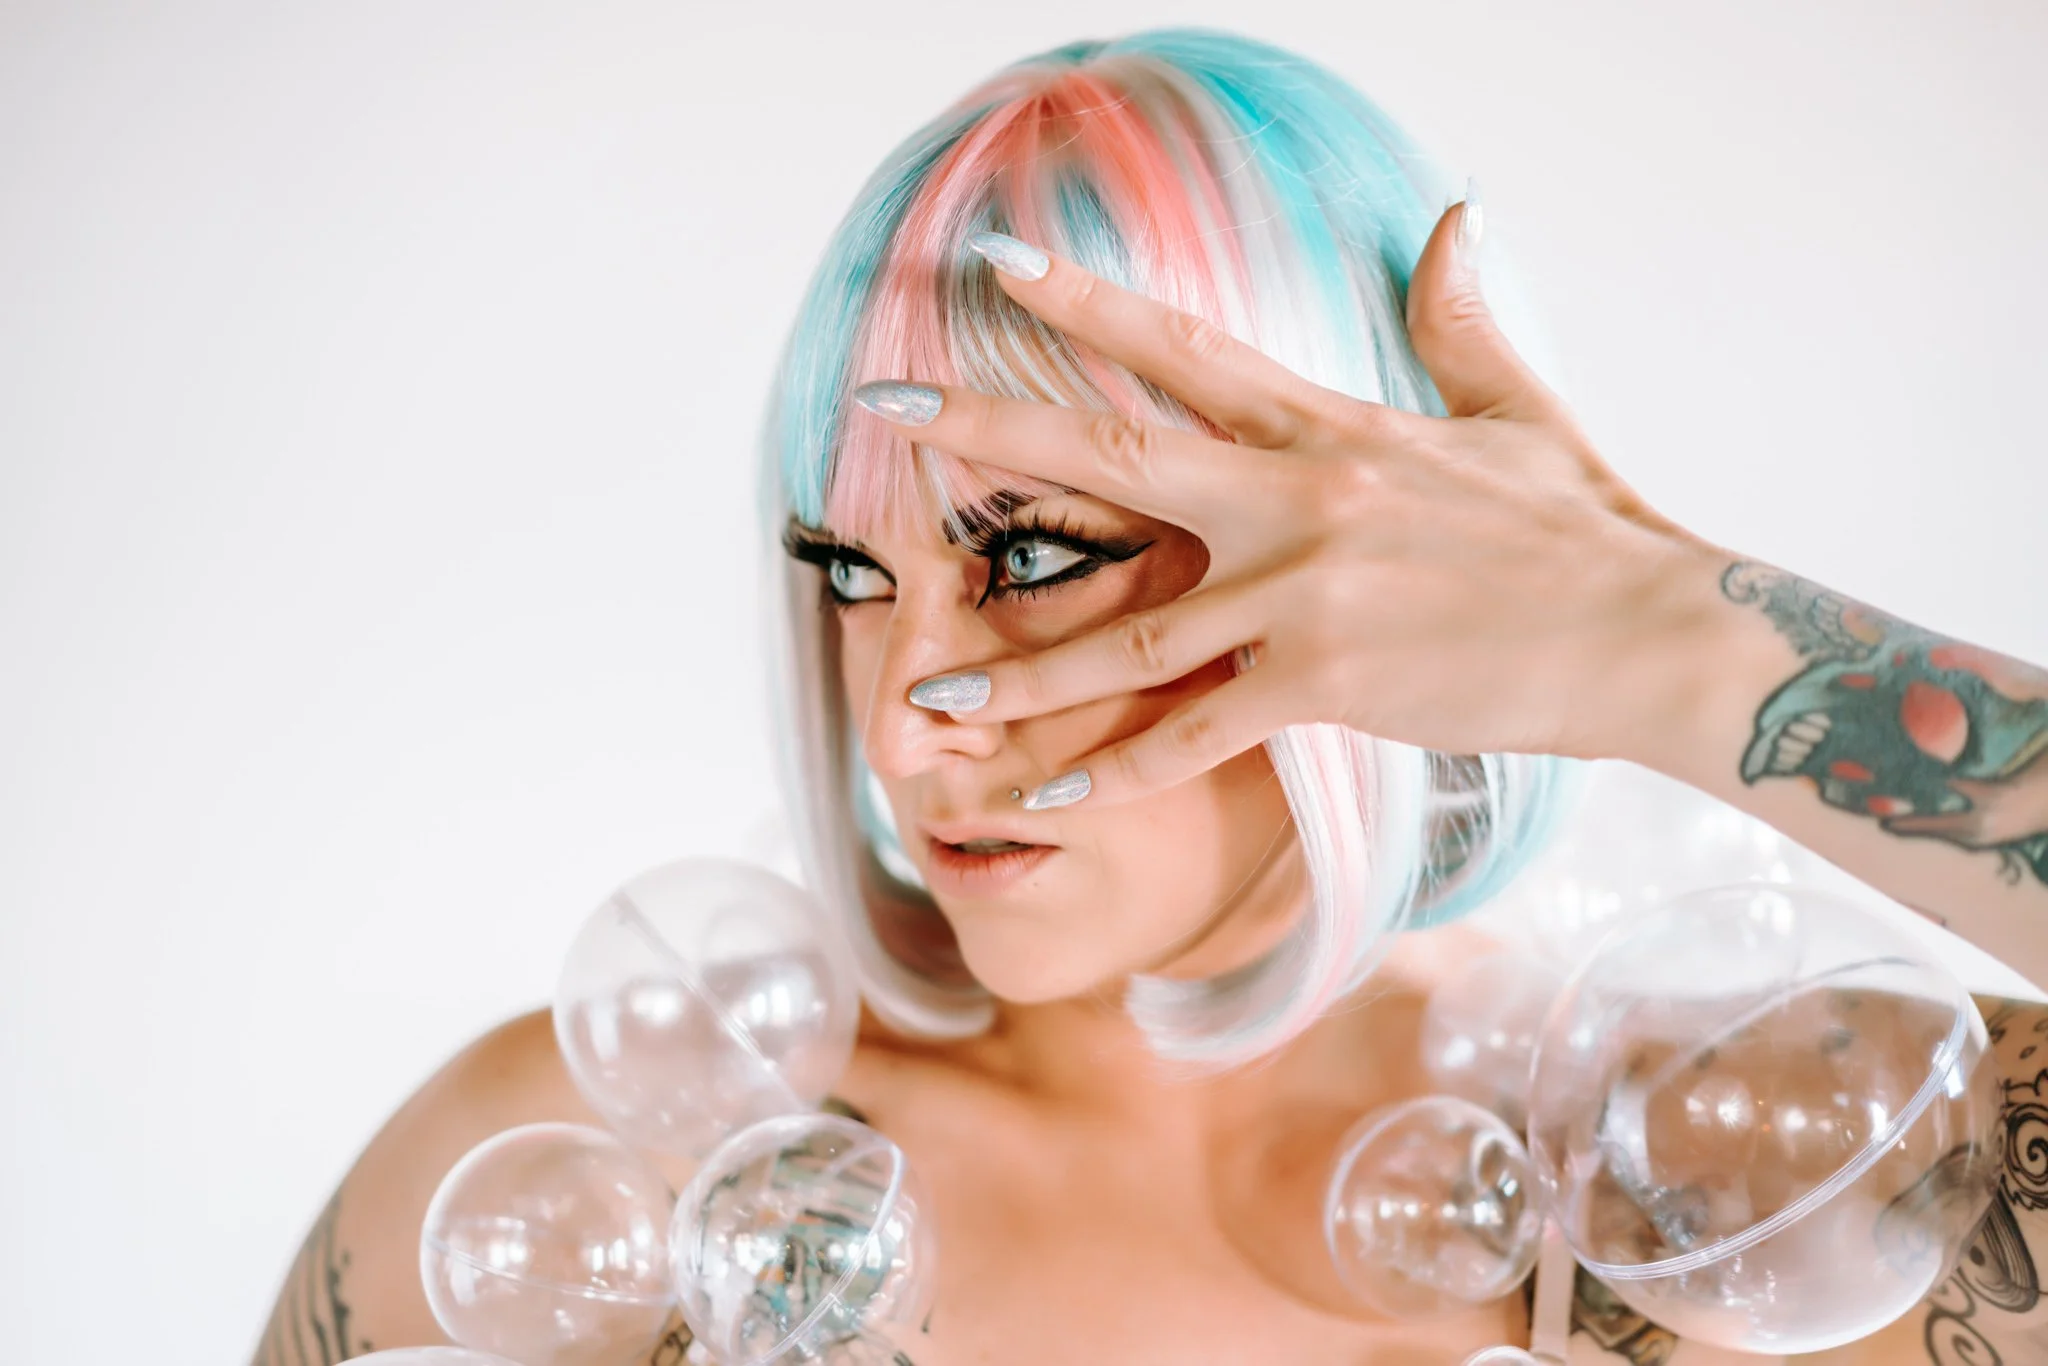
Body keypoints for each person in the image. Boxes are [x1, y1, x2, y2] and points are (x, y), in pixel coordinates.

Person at [253, 28, 2048, 1366]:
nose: (901, 727)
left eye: (1031, 557)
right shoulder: (603, 1173)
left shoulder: (1748, 1182)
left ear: (1396, 548)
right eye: (855, 576)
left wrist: (1668, 636)